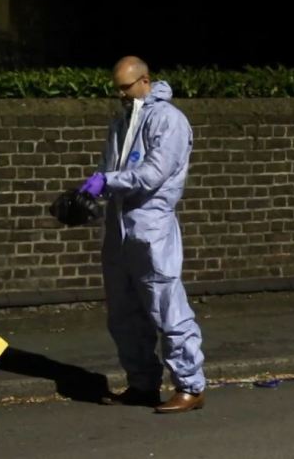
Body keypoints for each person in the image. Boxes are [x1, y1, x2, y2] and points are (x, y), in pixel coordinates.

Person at [80, 56, 206, 413]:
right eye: (117, 88)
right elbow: (110, 169)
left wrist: (107, 182)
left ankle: (190, 385)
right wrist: (90, 192)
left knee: (167, 309)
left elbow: (152, 175)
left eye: (126, 87)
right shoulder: (123, 122)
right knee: (124, 314)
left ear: (145, 80)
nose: (120, 94)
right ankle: (142, 382)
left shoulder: (168, 121)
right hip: (120, 230)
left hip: (152, 228)